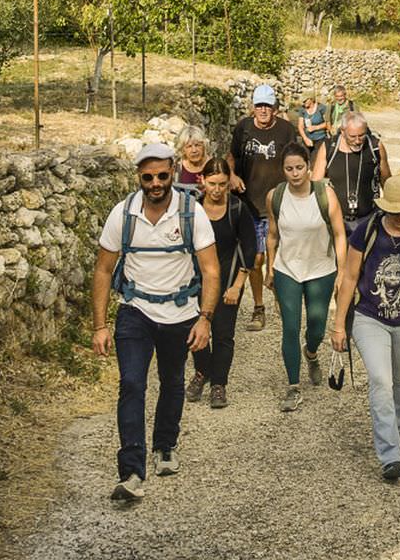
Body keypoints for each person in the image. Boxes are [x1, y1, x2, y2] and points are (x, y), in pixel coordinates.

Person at [91, 142, 218, 504]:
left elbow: (210, 270)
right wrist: (100, 325)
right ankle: (131, 471)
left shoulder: (191, 214)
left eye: (162, 175)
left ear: (173, 172)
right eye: (148, 177)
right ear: (139, 178)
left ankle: (165, 445)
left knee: (172, 380)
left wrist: (204, 319)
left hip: (180, 313)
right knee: (131, 383)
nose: (156, 183)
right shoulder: (123, 214)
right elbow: (102, 269)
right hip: (135, 311)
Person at [329, 175, 400, 482]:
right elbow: (350, 277)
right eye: (395, 211)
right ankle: (390, 455)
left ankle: (396, 430)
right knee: (381, 381)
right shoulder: (368, 231)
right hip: (370, 318)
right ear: (385, 209)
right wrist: (339, 325)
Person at [264, 143, 346, 411]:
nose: (295, 174)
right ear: (283, 170)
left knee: (317, 326)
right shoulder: (275, 196)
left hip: (321, 268)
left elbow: (339, 234)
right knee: (290, 326)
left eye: (299, 167)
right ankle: (293, 387)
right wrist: (270, 268)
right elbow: (273, 234)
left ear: (308, 167)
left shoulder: (325, 195)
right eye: (289, 169)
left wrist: (342, 272)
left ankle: (311, 353)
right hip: (288, 268)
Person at [228, 82, 303, 331]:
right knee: (256, 257)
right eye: (259, 105)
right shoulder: (243, 128)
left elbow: (298, 161)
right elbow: (232, 156)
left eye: (267, 106)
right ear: (253, 107)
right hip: (249, 203)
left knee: (282, 256)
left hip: (280, 203)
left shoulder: (286, 130)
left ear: (274, 108)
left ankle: (281, 300)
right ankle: (259, 307)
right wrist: (231, 175)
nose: (263, 110)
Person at [187, 161, 254, 409]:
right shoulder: (192, 209)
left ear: (229, 183)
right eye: (212, 184)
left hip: (228, 279)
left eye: (222, 185)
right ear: (202, 181)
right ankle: (202, 372)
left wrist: (237, 285)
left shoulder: (237, 208)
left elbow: (249, 248)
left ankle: (219, 384)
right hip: (195, 280)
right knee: (193, 330)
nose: (217, 190)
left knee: (223, 334)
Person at [314, 110, 391, 227]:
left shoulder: (375, 147)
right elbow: (316, 183)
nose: (357, 141)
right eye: (352, 136)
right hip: (336, 220)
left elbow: (387, 182)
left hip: (369, 218)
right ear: (343, 132)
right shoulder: (329, 147)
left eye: (361, 135)